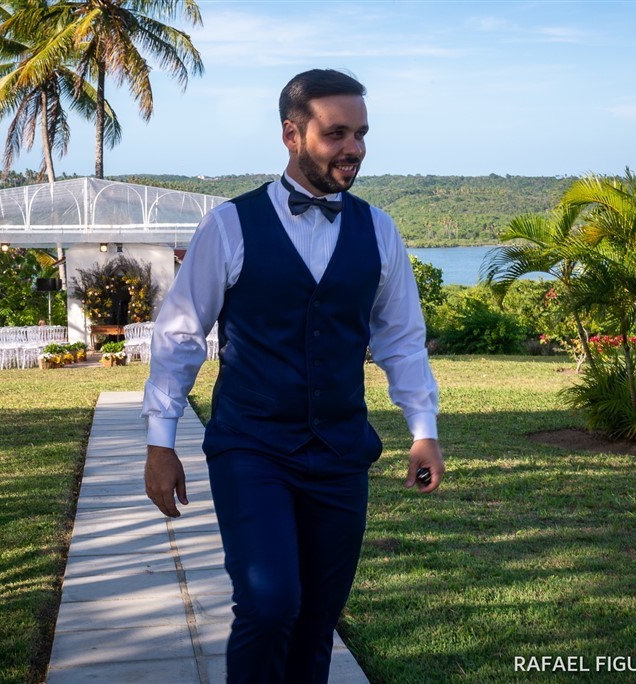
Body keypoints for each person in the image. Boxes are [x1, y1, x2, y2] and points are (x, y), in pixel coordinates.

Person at [142, 68, 444, 684]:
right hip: (251, 445)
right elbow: (179, 336)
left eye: (361, 133)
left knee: (317, 619)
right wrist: (160, 440)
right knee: (269, 602)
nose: (353, 147)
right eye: (336, 133)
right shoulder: (229, 225)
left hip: (339, 452)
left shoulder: (379, 230)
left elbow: (401, 340)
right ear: (291, 133)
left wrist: (423, 428)